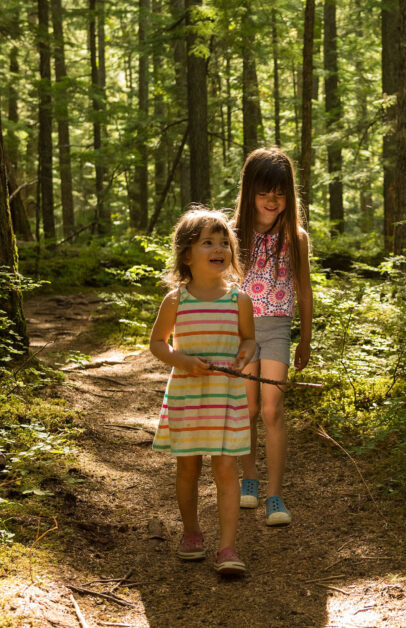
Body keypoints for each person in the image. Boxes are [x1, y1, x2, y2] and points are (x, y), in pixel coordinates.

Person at [150, 207, 257, 575]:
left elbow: (249, 340)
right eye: (207, 242)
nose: (219, 248)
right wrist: (182, 360)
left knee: (226, 469)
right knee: (188, 467)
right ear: (186, 255)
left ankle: (227, 547)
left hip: (224, 397)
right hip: (188, 396)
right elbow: (158, 344)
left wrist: (246, 353)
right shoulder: (176, 300)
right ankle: (192, 532)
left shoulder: (238, 300)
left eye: (224, 242)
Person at [231, 148, 313, 526]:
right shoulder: (232, 235)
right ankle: (249, 479)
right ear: (250, 192)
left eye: (279, 194)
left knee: (271, 410)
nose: (271, 201)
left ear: (289, 195)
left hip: (278, 329)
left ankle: (275, 495)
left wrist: (306, 338)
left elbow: (305, 290)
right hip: (240, 333)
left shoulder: (295, 237)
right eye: (264, 193)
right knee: (246, 411)